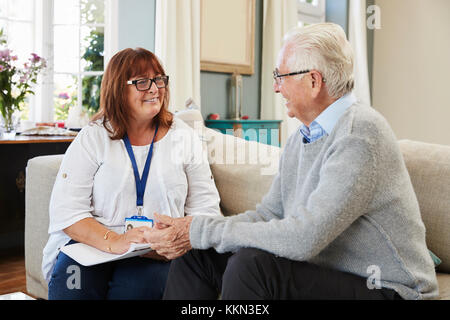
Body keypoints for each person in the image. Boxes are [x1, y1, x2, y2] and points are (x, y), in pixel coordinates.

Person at [143, 23, 439, 300]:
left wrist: (199, 231)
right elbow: (269, 214)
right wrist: (194, 230)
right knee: (198, 255)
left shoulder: (360, 133)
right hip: (330, 274)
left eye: (280, 77)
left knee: (251, 267)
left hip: (392, 289)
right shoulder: (303, 137)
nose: (275, 87)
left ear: (313, 80)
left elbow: (304, 238)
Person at [42, 47, 221, 300]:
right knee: (72, 287)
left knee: (136, 291)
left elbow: (207, 211)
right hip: (93, 245)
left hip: (155, 252)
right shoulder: (93, 137)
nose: (155, 88)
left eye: (159, 79)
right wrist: (115, 240)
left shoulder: (184, 137)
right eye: (142, 82)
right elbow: (67, 212)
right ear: (118, 89)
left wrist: (174, 237)